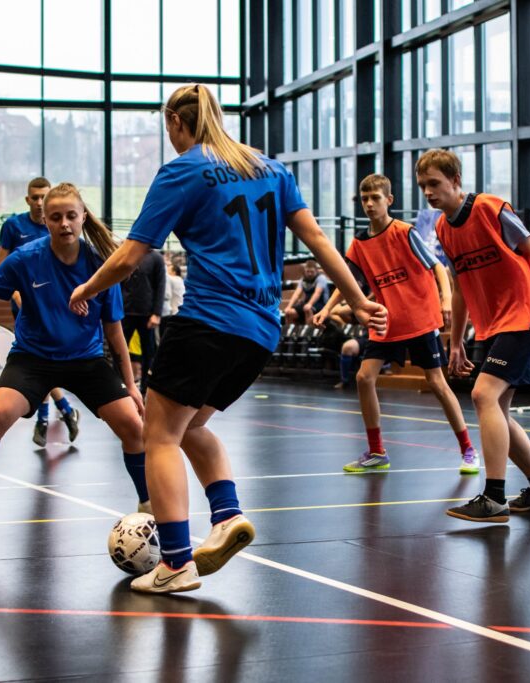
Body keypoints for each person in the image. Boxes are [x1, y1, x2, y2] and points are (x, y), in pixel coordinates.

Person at [70, 84, 387, 594]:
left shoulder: (181, 171)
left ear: (176, 122)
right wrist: (359, 298)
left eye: (168, 128)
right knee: (192, 426)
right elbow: (317, 239)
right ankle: (227, 515)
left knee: (158, 436)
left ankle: (175, 562)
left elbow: (130, 256)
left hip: (208, 323)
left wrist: (86, 288)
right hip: (260, 332)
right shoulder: (271, 168)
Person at [0, 183, 150, 518]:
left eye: (71, 216)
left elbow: (113, 328)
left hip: (86, 361)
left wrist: (131, 386)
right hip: (32, 359)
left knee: (133, 426)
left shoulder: (100, 265)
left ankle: (147, 501)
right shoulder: (26, 258)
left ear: (83, 217)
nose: (64, 224)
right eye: (56, 217)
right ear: (45, 221)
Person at [415, 148, 530, 523]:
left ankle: (494, 496)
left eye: (434, 183)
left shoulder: (490, 209)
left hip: (527, 313)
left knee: (483, 394)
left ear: (455, 180)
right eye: (423, 186)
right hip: (496, 324)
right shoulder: (442, 229)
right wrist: (456, 342)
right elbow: (460, 286)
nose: (429, 192)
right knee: (497, 408)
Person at [312, 173, 478, 475]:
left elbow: (438, 267)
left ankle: (468, 449)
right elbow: (348, 281)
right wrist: (327, 308)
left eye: (375, 198)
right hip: (386, 322)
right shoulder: (360, 242)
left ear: (389, 200)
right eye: (365, 199)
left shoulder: (404, 232)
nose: (369, 204)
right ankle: (377, 451)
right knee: (364, 378)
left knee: (437, 383)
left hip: (419, 319)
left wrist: (445, 299)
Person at [0, 176, 79, 447]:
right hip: (25, 308)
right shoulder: (13, 226)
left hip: (56, 307)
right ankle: (60, 410)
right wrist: (20, 297)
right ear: (27, 199)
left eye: (44, 196)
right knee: (40, 361)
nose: (40, 201)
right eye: (35, 197)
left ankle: (53, 413)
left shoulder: (57, 225)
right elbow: (2, 268)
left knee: (47, 363)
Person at [119, 247, 165, 392]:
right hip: (125, 312)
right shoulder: (126, 253)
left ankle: (145, 388)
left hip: (147, 314)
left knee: (148, 353)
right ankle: (119, 386)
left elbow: (160, 285)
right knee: (118, 351)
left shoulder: (156, 258)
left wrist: (156, 313)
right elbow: (116, 282)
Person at [283, 259, 329, 324]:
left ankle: (309, 329)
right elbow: (296, 294)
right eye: (308, 271)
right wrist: (289, 306)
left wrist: (310, 304)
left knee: (307, 309)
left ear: (316, 271)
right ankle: (290, 329)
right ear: (305, 271)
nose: (310, 274)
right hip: (307, 303)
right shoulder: (303, 280)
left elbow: (317, 293)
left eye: (312, 272)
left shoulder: (321, 278)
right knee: (289, 312)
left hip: (321, 304)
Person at [161, 260, 185, 338]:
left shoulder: (174, 279)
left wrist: (163, 263)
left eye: (169, 269)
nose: (167, 270)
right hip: (179, 312)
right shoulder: (180, 280)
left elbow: (164, 275)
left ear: (174, 272)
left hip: (174, 313)